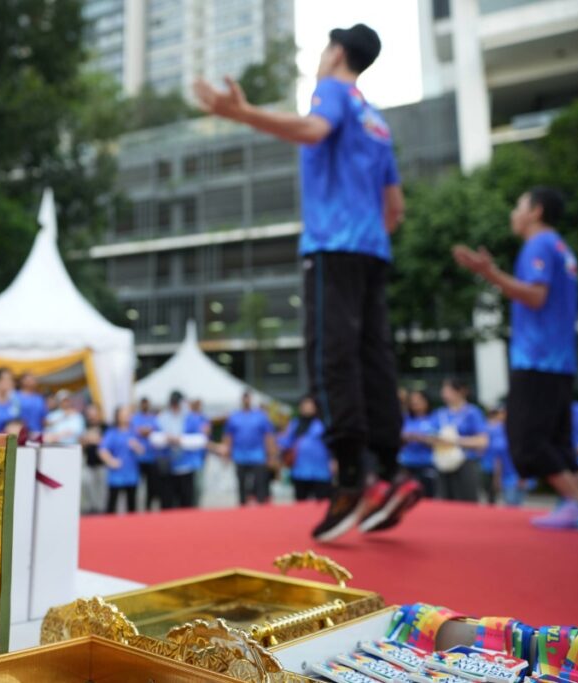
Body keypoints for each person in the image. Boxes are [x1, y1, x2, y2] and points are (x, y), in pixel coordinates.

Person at [194, 23, 418, 540]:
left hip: (333, 247)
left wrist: (242, 113)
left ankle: (351, 476)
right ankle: (390, 470)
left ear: (336, 53)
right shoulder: (377, 121)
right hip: (371, 251)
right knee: (373, 359)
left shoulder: (331, 90)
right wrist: (366, 233)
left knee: (331, 358)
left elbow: (314, 130)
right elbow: (395, 208)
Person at [453, 186, 578, 529]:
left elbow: (536, 296)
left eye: (519, 206)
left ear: (536, 211)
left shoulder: (539, 245)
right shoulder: (561, 247)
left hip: (538, 358)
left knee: (526, 441)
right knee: (558, 442)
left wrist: (489, 273)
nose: (514, 214)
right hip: (559, 360)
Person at [431, 379, 488, 503]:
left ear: (461, 391)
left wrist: (455, 441)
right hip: (443, 463)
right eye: (443, 391)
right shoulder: (439, 413)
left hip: (465, 462)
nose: (444, 394)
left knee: (467, 502)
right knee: (445, 501)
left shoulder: (472, 412)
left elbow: (482, 441)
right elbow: (430, 437)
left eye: (448, 390)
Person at [223, 392, 277, 505]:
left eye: (248, 398)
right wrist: (226, 454)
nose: (247, 401)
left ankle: (261, 504)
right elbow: (229, 436)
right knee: (241, 484)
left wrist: (272, 455)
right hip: (240, 455)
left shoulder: (260, 416)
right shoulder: (234, 417)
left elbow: (268, 436)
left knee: (260, 482)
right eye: (245, 398)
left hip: (258, 455)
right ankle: (243, 505)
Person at [154, 391, 203, 509]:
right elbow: (154, 438)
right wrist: (166, 439)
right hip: (168, 468)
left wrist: (181, 440)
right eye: (173, 404)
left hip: (186, 468)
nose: (175, 406)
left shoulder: (191, 418)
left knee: (186, 504)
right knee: (167, 504)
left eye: (177, 403)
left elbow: (200, 439)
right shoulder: (162, 418)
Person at [279, 396, 333, 501]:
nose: (307, 408)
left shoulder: (323, 423)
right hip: (300, 471)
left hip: (321, 471)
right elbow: (286, 442)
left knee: (323, 502)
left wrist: (333, 460)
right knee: (301, 503)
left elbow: (330, 443)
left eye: (310, 406)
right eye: (305, 406)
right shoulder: (295, 424)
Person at [99, 406, 145, 514]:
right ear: (117, 417)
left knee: (132, 506)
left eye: (128, 414)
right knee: (112, 505)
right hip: (116, 476)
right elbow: (102, 450)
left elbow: (142, 451)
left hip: (131, 474)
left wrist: (136, 446)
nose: (126, 416)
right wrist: (111, 461)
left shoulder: (134, 432)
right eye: (123, 414)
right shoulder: (112, 433)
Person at [398, 390, 438, 498]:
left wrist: (422, 438)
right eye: (412, 400)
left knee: (427, 497)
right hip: (407, 464)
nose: (415, 402)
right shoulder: (405, 418)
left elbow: (440, 440)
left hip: (427, 464)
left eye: (419, 399)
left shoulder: (435, 418)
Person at [486, 406, 524, 507]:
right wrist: (497, 478)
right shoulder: (496, 431)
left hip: (519, 474)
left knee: (517, 504)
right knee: (510, 503)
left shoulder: (519, 431)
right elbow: (498, 458)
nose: (501, 416)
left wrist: (524, 476)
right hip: (506, 476)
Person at [130, 398, 161, 511]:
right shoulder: (135, 418)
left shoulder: (153, 418)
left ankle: (148, 508)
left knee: (151, 486)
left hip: (151, 458)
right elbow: (137, 431)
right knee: (137, 486)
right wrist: (146, 431)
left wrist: (147, 431)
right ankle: (136, 509)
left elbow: (156, 430)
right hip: (138, 459)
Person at [80, 405, 108, 514]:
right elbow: (82, 442)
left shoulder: (105, 427)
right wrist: (89, 440)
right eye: (89, 414)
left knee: (101, 489)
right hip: (89, 462)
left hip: (102, 463)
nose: (91, 417)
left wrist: (93, 439)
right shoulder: (85, 426)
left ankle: (101, 510)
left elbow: (105, 442)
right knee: (87, 486)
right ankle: (91, 509)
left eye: (93, 414)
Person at [18, 372, 48, 437]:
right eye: (29, 379)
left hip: (38, 433)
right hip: (20, 434)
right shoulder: (15, 396)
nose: (31, 381)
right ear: (22, 381)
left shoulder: (39, 398)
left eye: (33, 379)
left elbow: (43, 419)